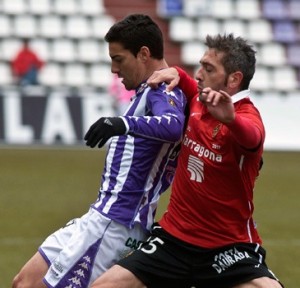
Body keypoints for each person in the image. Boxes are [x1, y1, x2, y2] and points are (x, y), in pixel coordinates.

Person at [90, 34, 284, 288]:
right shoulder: (199, 98)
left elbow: (253, 137)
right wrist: (178, 73)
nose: (199, 74)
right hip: (174, 240)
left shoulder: (247, 116)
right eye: (200, 65)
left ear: (234, 79)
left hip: (227, 248)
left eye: (208, 68)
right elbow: (190, 84)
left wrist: (231, 120)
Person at [12, 14, 186, 288]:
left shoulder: (162, 89)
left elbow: (174, 126)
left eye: (119, 59)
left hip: (117, 223)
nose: (114, 70)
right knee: (25, 281)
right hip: (99, 215)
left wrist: (120, 123)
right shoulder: (147, 90)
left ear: (143, 54)